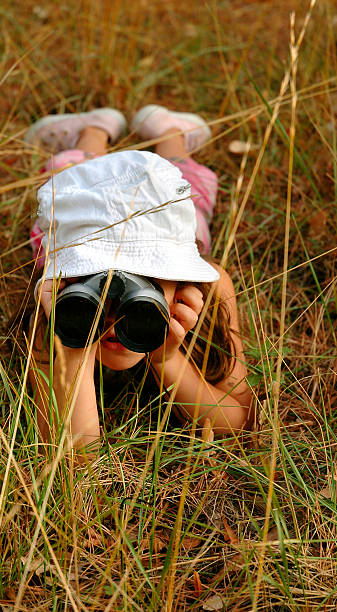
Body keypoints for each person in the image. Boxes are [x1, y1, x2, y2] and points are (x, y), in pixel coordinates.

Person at [23, 105, 253, 451]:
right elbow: (71, 459)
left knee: (190, 185)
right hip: (73, 231)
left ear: (182, 282)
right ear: (68, 282)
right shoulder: (55, 306)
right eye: (94, 287)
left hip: (170, 225)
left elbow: (239, 419)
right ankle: (94, 129)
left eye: (147, 284)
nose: (113, 317)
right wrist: (73, 350)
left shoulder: (213, 285)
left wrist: (168, 359)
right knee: (71, 173)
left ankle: (171, 130)